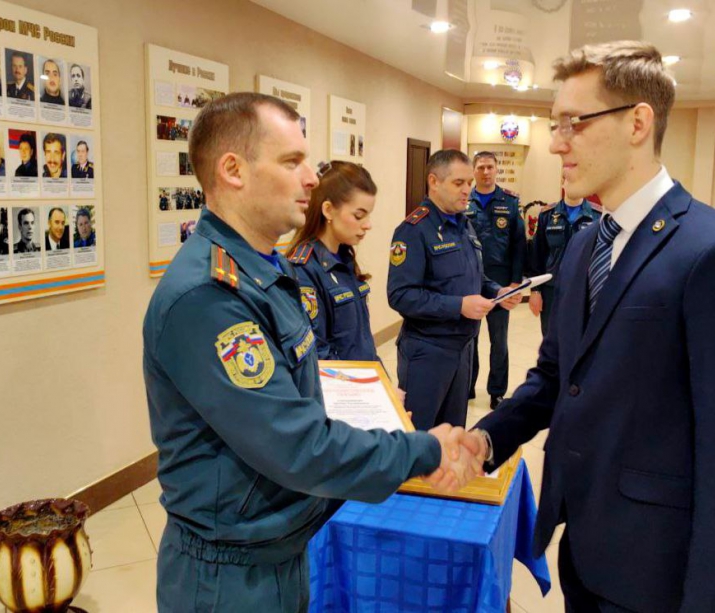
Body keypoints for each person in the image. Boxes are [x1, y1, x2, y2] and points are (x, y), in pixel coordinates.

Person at [462, 41, 715, 612]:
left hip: (659, 569)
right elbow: (559, 375)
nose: (557, 143)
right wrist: (486, 437)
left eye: (573, 124)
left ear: (638, 122)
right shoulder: (586, 245)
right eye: (555, 126)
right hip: (585, 545)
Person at [143, 92, 482, 613]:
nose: (309, 177)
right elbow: (296, 445)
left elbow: (310, 391)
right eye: (291, 160)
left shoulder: (262, 270)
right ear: (233, 170)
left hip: (278, 549)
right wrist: (424, 450)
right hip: (228, 576)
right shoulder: (209, 296)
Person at [387, 149, 522, 431]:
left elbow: (475, 276)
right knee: (421, 438)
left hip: (463, 348)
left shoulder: (464, 224)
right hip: (428, 351)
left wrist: (496, 291)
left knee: (452, 434)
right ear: (434, 182)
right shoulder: (413, 230)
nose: (467, 191)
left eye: (469, 184)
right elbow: (400, 295)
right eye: (458, 183)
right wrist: (458, 305)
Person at [287, 161, 379, 361]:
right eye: (359, 215)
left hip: (364, 380)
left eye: (368, 215)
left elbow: (362, 340)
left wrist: (382, 380)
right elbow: (318, 354)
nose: (368, 225)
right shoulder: (304, 269)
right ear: (328, 210)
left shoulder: (344, 256)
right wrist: (366, 388)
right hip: (344, 387)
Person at [466, 151, 526, 410]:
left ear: (496, 169)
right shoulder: (463, 200)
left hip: (501, 280)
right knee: (469, 337)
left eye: (490, 167)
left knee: (498, 339)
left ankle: (497, 391)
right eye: (481, 167)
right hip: (470, 279)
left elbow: (519, 244)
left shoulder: (510, 202)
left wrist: (515, 283)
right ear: (473, 170)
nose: (486, 172)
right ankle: (467, 386)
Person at [527, 191, 601, 335]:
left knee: (580, 339)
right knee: (550, 338)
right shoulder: (547, 215)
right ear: (563, 181)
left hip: (584, 289)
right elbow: (537, 255)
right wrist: (535, 291)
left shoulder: (597, 215)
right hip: (552, 289)